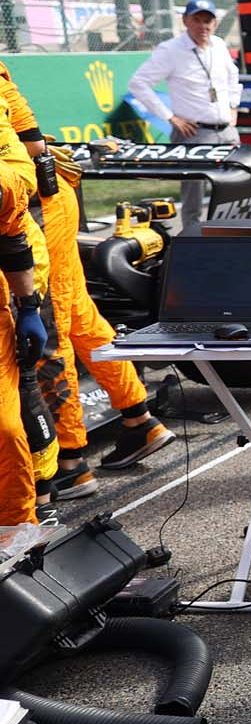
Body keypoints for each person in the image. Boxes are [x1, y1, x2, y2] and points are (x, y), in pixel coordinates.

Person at [0, 63, 171, 499]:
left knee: (47, 335)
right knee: (79, 316)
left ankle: (70, 460)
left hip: (36, 205)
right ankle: (138, 418)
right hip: (49, 196)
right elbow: (31, 135)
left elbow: (30, 146)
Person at [126, 0, 242, 226]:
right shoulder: (170, 50)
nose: (203, 26)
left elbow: (232, 77)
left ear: (215, 22)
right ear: (185, 21)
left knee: (235, 186)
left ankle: (231, 232)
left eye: (207, 20)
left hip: (226, 129)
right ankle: (192, 239)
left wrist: (233, 107)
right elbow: (138, 83)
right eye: (197, 20)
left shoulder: (218, 45)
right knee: (193, 195)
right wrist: (170, 117)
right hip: (194, 132)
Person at [0, 160, 46, 525]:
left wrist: (29, 307)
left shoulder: (4, 182)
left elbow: (13, 242)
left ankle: (17, 530)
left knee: (6, 427)